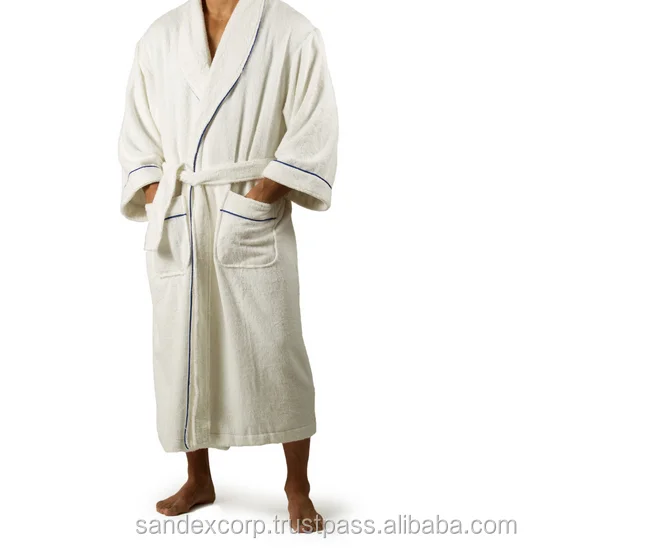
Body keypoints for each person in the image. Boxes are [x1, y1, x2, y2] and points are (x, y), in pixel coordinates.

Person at [118, 0, 338, 532]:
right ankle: (198, 478)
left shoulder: (292, 32)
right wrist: (158, 196)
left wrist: (258, 196)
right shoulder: (160, 36)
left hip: (250, 216)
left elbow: (312, 128)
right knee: (184, 347)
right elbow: (137, 136)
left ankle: (298, 486)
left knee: (276, 349)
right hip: (182, 215)